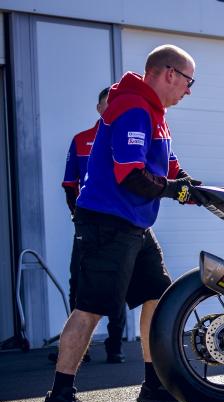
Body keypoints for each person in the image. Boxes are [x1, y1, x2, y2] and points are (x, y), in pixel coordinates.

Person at [40, 44, 201, 402]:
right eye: (189, 81)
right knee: (90, 309)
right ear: (169, 74)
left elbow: (166, 163)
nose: (189, 91)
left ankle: (154, 386)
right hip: (107, 223)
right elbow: (129, 174)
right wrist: (172, 190)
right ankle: (59, 396)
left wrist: (190, 185)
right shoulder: (132, 107)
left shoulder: (155, 112)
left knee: (157, 297)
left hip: (135, 225)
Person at [57, 87, 127, 364]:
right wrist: (78, 218)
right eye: (106, 104)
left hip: (122, 224)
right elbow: (69, 184)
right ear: (98, 108)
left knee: (119, 284)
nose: (111, 108)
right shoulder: (81, 140)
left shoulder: (127, 135)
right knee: (79, 282)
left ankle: (115, 346)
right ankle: (79, 351)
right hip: (88, 225)